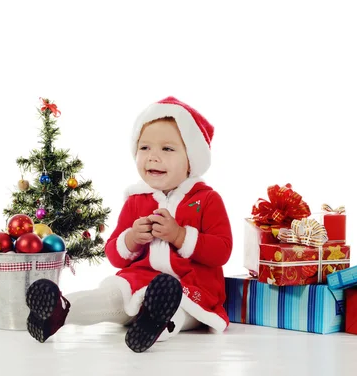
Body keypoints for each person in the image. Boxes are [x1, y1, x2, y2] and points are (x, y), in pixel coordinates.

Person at [25, 96, 233, 353]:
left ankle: (155, 323)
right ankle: (58, 312)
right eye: (145, 148)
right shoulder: (136, 201)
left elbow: (222, 250)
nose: (153, 157)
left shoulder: (207, 200)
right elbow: (114, 253)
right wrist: (132, 238)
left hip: (191, 286)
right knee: (112, 297)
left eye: (167, 149)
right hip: (141, 279)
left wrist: (180, 235)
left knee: (179, 307)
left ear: (192, 159)